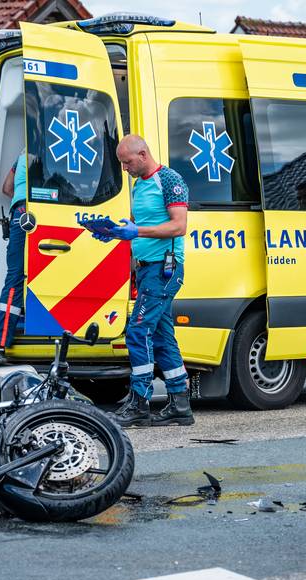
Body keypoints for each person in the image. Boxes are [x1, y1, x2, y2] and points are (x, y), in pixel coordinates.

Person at [99, 135, 193, 427]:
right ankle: (180, 404)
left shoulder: (169, 180)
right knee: (163, 338)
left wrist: (136, 232)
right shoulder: (140, 185)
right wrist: (115, 232)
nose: (125, 168)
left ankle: (139, 402)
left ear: (142, 154)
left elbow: (179, 225)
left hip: (163, 269)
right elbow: (134, 226)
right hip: (146, 269)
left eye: (127, 162)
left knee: (138, 332)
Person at [0, 151, 27, 364]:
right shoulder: (48, 150)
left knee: (15, 278)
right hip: (36, 212)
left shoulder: (21, 155)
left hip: (19, 213)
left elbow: (6, 188)